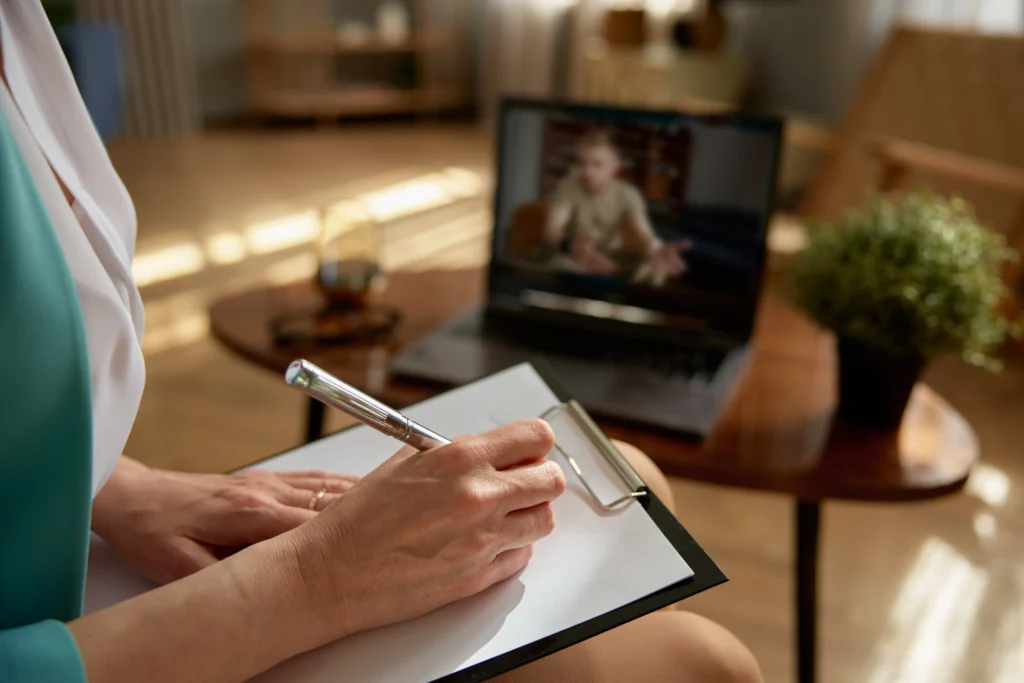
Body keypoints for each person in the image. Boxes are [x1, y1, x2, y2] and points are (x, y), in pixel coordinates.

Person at [0, 4, 762, 682]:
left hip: (55, 551)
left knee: (633, 480)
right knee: (708, 662)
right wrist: (314, 578)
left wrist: (118, 485)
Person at [542, 129, 692, 284]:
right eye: (582, 163)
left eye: (597, 164)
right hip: (574, 256)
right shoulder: (569, 185)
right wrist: (571, 248)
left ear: (615, 166)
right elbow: (553, 229)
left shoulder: (628, 194)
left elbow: (644, 235)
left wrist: (657, 249)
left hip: (612, 257)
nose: (587, 172)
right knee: (560, 267)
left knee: (654, 272)